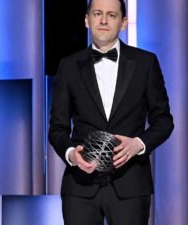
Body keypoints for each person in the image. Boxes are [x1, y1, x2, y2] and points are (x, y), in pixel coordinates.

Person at [48, 0, 174, 224]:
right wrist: (71, 155)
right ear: (87, 20)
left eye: (112, 15)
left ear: (124, 22)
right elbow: (57, 128)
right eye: (97, 13)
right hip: (80, 188)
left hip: (131, 186)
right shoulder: (68, 66)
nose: (103, 20)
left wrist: (139, 144)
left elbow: (163, 121)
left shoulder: (145, 63)